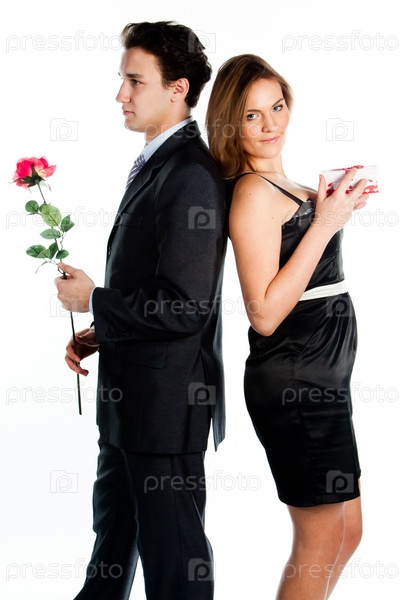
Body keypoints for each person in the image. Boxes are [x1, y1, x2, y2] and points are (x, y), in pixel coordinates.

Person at [55, 21, 226, 600]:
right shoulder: (160, 163)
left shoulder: (191, 174)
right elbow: (157, 287)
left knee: (175, 569)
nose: (120, 95)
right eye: (122, 80)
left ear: (178, 89)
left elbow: (186, 306)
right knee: (109, 554)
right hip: (128, 408)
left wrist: (95, 299)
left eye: (134, 81)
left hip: (164, 414)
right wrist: (101, 329)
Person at [206, 54, 368, 599]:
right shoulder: (252, 193)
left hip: (324, 379)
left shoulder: (285, 186)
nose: (270, 124)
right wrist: (325, 223)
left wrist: (332, 207)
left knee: (348, 533)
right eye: (252, 115)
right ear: (231, 124)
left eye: (276, 107)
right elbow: (265, 313)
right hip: (296, 381)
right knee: (319, 540)